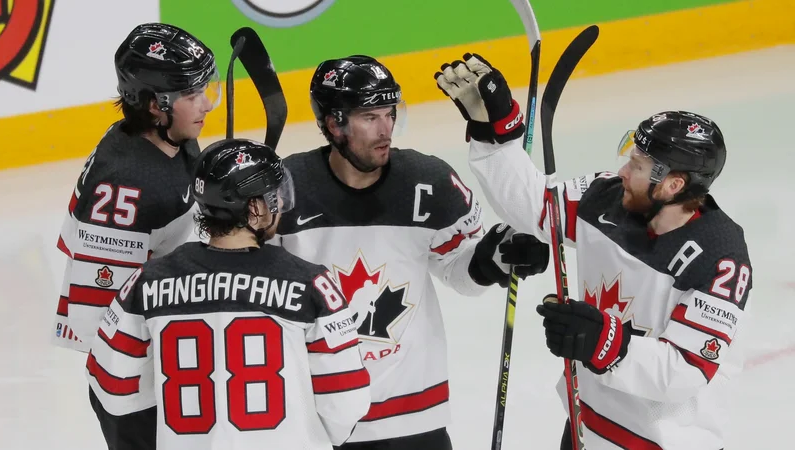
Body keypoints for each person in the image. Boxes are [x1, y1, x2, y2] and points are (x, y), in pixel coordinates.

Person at [436, 53, 752, 449]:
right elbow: (535, 205)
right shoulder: (606, 197)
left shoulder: (720, 257)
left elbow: (687, 371)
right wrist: (494, 132)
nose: (622, 171)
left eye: (636, 165)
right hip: (587, 426)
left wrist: (606, 341)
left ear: (672, 185)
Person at [270, 55, 551, 449]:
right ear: (333, 123)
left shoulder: (428, 182)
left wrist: (494, 259)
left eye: (390, 113)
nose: (386, 129)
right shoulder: (286, 188)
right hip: (317, 419)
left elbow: (459, 270)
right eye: (370, 117)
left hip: (413, 416)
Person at [86, 138, 371, 449]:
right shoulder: (312, 283)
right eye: (275, 195)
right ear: (256, 207)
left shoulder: (146, 282)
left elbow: (111, 383)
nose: (282, 203)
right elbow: (346, 397)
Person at [51, 23, 220, 351]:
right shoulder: (125, 187)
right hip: (132, 357)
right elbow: (95, 319)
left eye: (204, 89)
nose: (207, 104)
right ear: (157, 105)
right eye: (192, 94)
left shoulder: (169, 136)